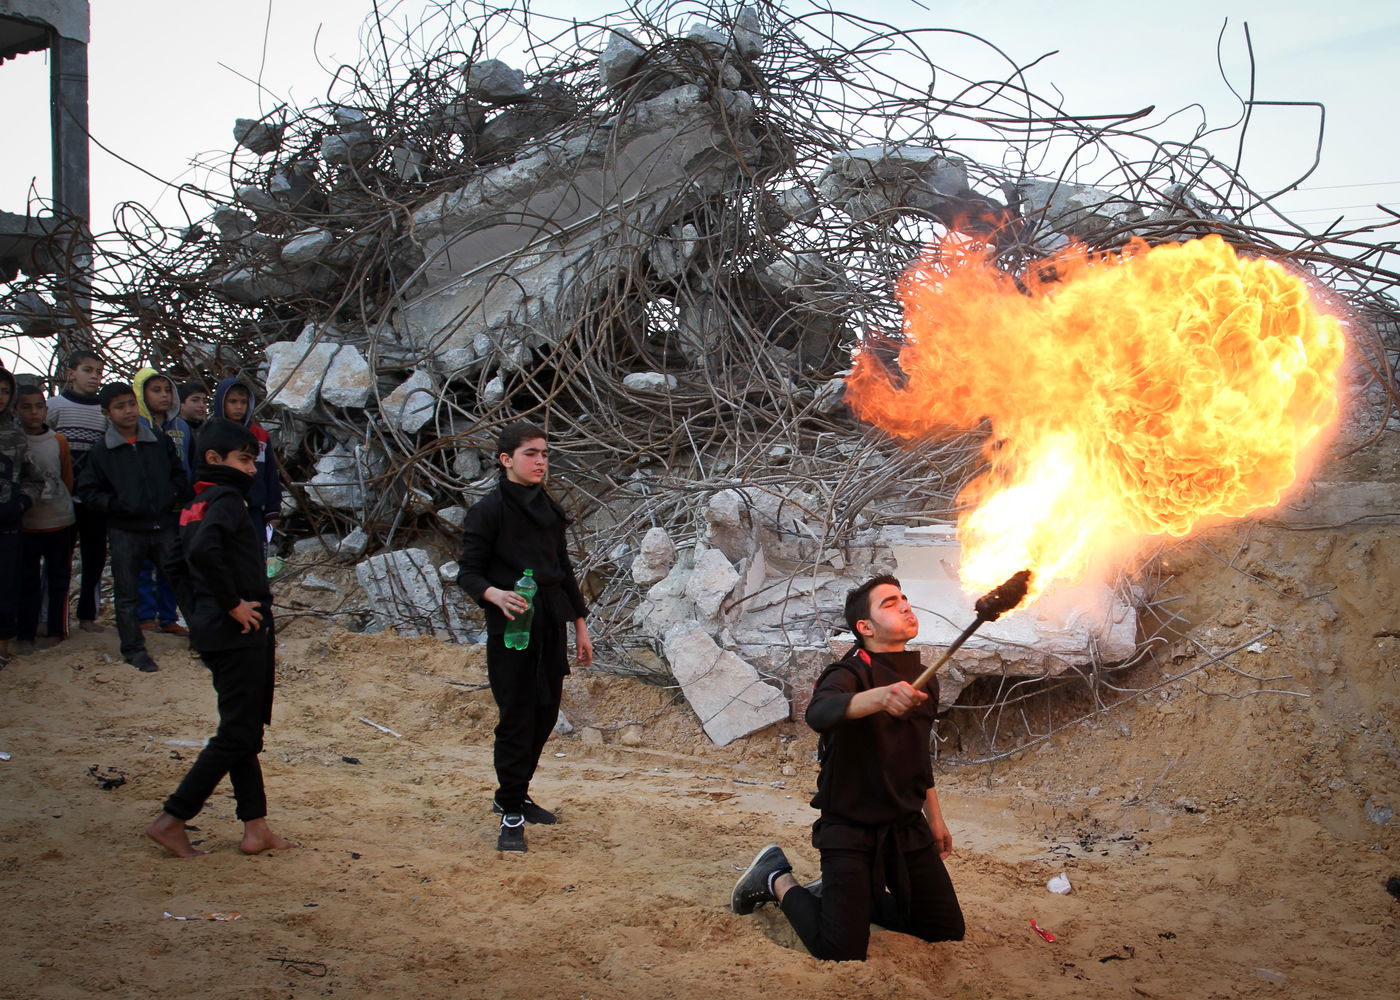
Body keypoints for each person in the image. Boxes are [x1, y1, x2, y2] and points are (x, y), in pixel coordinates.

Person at [730, 574, 965, 961]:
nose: (905, 605)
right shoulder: (848, 673)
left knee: (944, 929)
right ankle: (775, 878)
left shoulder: (925, 678)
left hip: (904, 826)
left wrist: (935, 818)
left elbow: (918, 757)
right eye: (889, 603)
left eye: (904, 598)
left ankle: (853, 897)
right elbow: (820, 713)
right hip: (851, 828)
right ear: (865, 627)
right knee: (840, 950)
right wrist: (878, 698)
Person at [145, 418, 296, 858]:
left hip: (217, 629)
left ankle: (256, 827)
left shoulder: (200, 502)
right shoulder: (226, 499)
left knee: (244, 731)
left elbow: (175, 561)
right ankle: (173, 818)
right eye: (244, 459)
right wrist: (231, 604)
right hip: (238, 630)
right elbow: (201, 552)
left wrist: (199, 614)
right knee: (236, 734)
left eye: (253, 460)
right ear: (214, 459)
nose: (252, 469)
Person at [457, 421, 593, 853]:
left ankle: (512, 794)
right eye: (531, 454)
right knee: (516, 717)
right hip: (511, 628)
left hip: (550, 622)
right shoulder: (488, 511)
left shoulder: (549, 509)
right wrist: (496, 594)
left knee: (546, 713)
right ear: (506, 460)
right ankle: (511, 811)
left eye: (544, 454)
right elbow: (468, 572)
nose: (540, 462)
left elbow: (563, 567)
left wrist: (580, 624)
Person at [75, 383, 194, 673]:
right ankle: (133, 649)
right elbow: (88, 491)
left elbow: (179, 473)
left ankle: (203, 639)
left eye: (130, 404)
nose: (128, 411)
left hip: (163, 524)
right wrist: (119, 505)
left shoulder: (157, 440)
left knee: (181, 582)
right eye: (120, 407)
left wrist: (171, 496)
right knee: (127, 591)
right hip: (126, 530)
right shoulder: (102, 451)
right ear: (107, 413)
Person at [45, 349, 108, 632]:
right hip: (59, 499)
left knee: (94, 559)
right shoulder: (54, 406)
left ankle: (88, 617)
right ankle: (53, 620)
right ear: (70, 373)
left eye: (98, 371)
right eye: (87, 370)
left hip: (93, 499)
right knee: (58, 561)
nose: (94, 376)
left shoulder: (104, 411)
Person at [14, 384, 75, 653]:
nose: (33, 412)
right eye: (26, 407)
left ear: (46, 409)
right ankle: (26, 632)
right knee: (27, 580)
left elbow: (66, 477)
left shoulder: (58, 441)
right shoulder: (13, 441)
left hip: (60, 519)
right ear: (15, 410)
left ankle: (56, 629)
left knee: (59, 577)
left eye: (38, 406)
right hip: (27, 522)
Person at [134, 368, 193, 636]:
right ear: (141, 393)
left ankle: (169, 617)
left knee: (172, 564)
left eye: (167, 390)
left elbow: (190, 465)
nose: (164, 396)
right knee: (144, 565)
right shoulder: (135, 426)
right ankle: (146, 616)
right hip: (143, 508)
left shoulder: (181, 428)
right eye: (156, 390)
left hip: (176, 507)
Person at [0, 369, 43, 666]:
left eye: (4, 391)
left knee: (5, 588)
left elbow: (33, 478)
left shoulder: (14, 434)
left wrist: (22, 502)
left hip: (7, 526)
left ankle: (2, 650)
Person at [211, 377, 280, 558]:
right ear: (221, 402)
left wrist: (273, 511)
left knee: (255, 560)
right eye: (233, 401)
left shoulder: (260, 435)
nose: (239, 407)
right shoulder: (210, 434)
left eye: (243, 402)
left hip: (255, 510)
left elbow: (270, 474)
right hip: (222, 510)